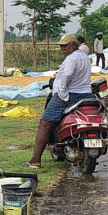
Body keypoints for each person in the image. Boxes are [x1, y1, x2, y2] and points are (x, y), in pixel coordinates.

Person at [28, 34, 93, 168]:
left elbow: (67, 76)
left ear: (74, 45)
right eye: (61, 46)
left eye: (65, 46)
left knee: (45, 124)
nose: (62, 49)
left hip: (69, 95)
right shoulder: (84, 57)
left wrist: (62, 95)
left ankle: (35, 160)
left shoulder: (72, 59)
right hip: (86, 95)